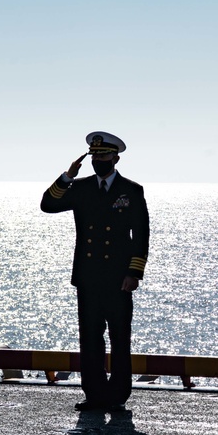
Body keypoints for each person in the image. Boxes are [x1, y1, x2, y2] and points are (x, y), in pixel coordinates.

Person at [41, 131, 150, 412]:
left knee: (119, 337)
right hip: (89, 275)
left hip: (118, 277)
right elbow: (48, 205)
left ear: (116, 157)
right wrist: (67, 176)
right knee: (89, 338)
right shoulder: (80, 188)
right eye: (94, 156)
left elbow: (140, 235)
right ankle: (95, 394)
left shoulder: (131, 190)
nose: (98, 160)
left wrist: (134, 273)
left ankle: (118, 395)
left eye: (103, 155)